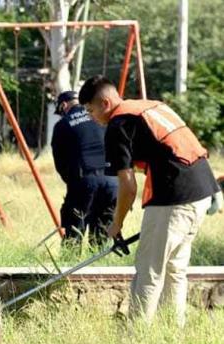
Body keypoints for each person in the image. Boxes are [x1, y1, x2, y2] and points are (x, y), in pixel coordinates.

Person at [78, 75, 222, 325]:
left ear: (105, 102)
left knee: (149, 272)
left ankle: (137, 339)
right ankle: (171, 334)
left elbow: (128, 186)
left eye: (91, 110)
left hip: (173, 196)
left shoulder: (118, 124)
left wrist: (117, 224)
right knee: (174, 270)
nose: (92, 118)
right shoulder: (150, 106)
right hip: (201, 191)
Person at [51, 90, 117, 247]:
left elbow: (61, 163)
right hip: (113, 183)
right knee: (101, 237)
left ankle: (69, 270)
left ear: (64, 105)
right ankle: (99, 268)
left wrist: (75, 181)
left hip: (85, 181)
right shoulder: (103, 118)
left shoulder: (63, 124)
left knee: (74, 234)